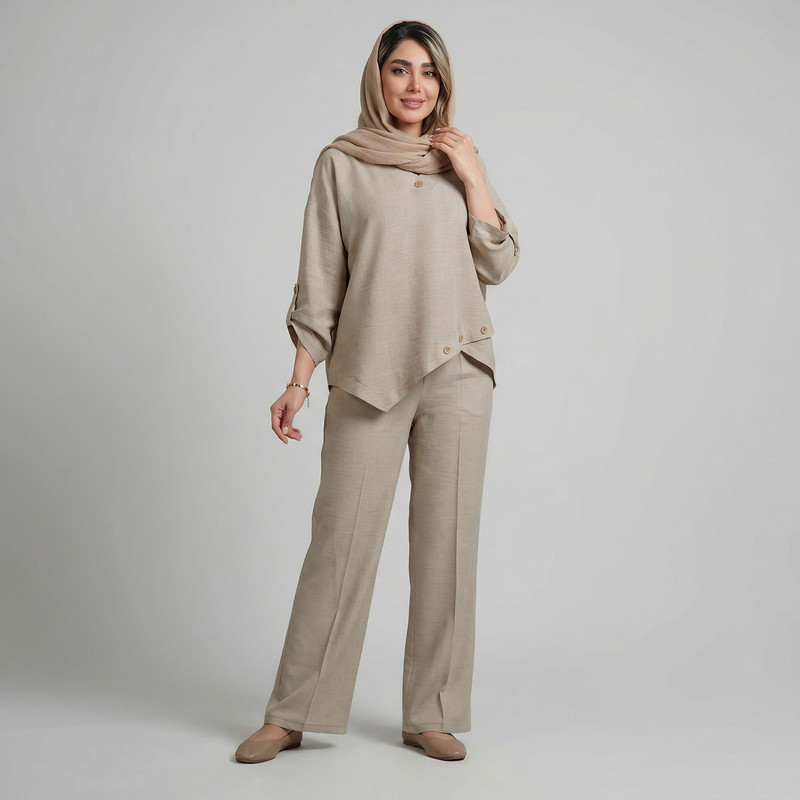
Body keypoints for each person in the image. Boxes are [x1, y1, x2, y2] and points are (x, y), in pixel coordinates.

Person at [235, 18, 520, 763]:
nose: (415, 85)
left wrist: (473, 175)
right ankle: (293, 712)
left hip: (460, 367)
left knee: (447, 547)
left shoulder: (459, 156)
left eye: (428, 71)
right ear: (378, 77)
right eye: (401, 69)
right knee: (340, 543)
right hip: (370, 371)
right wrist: (299, 380)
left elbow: (498, 262)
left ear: (443, 83)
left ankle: (433, 712)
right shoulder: (342, 162)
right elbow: (320, 278)